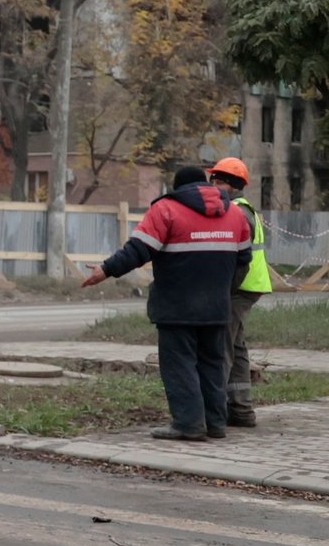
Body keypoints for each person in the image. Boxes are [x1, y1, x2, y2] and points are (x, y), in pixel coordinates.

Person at [83, 165, 254, 441]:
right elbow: (243, 261)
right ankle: (214, 423)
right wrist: (223, 291)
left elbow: (137, 250)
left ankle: (189, 424)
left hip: (178, 308)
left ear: (178, 187)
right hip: (217, 308)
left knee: (180, 364)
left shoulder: (166, 210)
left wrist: (105, 269)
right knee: (212, 363)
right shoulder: (235, 214)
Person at [208, 157, 273, 428]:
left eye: (220, 182)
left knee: (221, 349)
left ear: (234, 186)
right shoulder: (245, 209)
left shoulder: (237, 212)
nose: (214, 186)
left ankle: (213, 414)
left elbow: (239, 258)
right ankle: (241, 409)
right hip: (249, 287)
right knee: (236, 347)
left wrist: (225, 289)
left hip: (240, 288)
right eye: (213, 180)